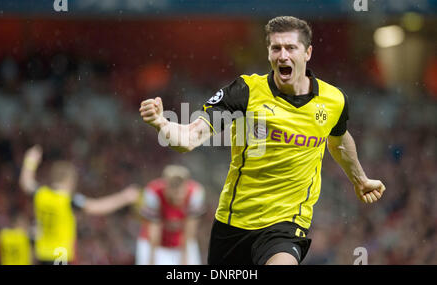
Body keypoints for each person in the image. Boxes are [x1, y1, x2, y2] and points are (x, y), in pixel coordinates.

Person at [139, 16, 386, 265]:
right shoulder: (245, 92)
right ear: (268, 52)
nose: (282, 55)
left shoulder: (334, 100)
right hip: (233, 224)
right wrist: (162, 123)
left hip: (286, 225)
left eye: (291, 48)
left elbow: (339, 139)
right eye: (275, 48)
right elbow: (190, 138)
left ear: (307, 52)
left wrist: (360, 178)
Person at [19, 145, 140, 265]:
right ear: (69, 180)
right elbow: (97, 207)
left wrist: (30, 161)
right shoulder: (68, 200)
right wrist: (124, 197)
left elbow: (26, 182)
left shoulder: (41, 194)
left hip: (42, 254)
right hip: (59, 255)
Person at [136, 165, 205, 265]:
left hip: (181, 242)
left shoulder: (195, 193)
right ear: (166, 186)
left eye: (180, 187)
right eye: (173, 187)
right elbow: (154, 229)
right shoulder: (153, 193)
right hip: (153, 244)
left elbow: (190, 229)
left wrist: (184, 257)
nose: (178, 193)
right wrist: (152, 259)